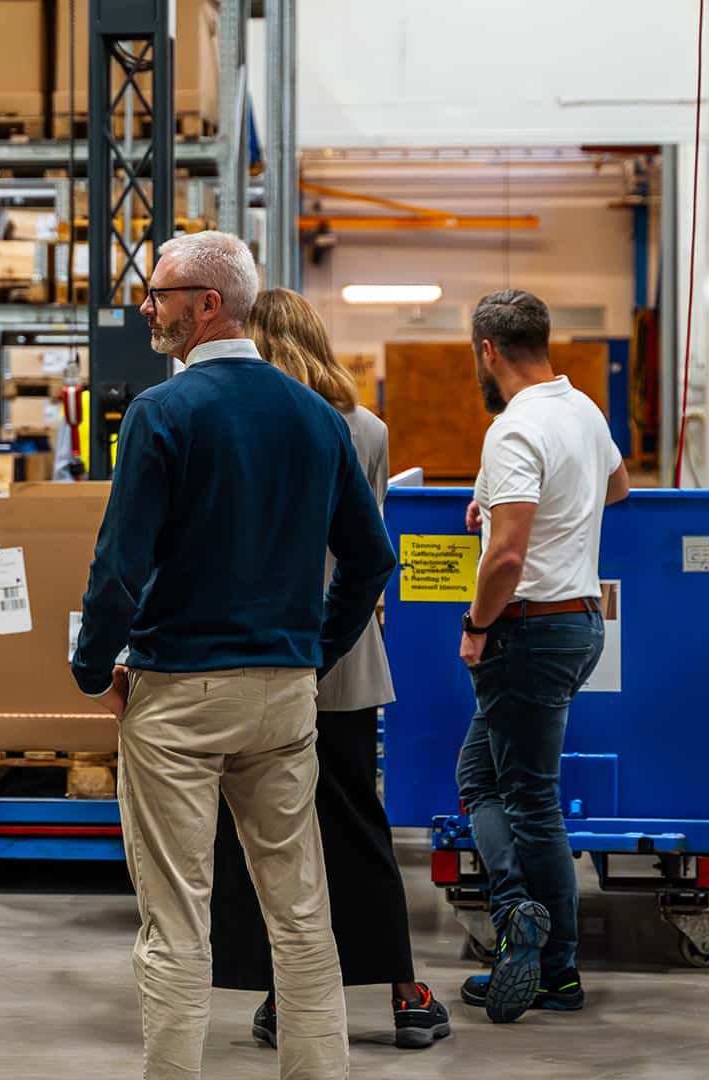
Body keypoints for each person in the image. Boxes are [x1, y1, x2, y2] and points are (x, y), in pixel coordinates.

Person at [70, 231, 396, 1079]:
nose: (149, 304)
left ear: (207, 303)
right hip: (285, 695)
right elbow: (371, 559)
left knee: (177, 916)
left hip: (178, 691)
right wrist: (315, 653)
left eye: (161, 290)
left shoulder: (164, 412)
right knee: (299, 908)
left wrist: (90, 663)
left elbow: (119, 566)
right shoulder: (318, 418)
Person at [209, 288, 451, 1052]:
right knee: (353, 823)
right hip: (342, 659)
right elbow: (364, 551)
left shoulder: (237, 424)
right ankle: (405, 991)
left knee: (265, 830)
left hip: (256, 653)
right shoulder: (365, 428)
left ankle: (287, 995)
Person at [454, 289, 628, 1023]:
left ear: (488, 351)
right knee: (482, 775)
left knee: (529, 799)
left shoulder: (514, 426)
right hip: (579, 622)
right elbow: (617, 487)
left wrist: (475, 624)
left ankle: (550, 960)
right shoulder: (581, 408)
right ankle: (523, 918)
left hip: (527, 629)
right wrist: (494, 500)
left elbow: (507, 558)